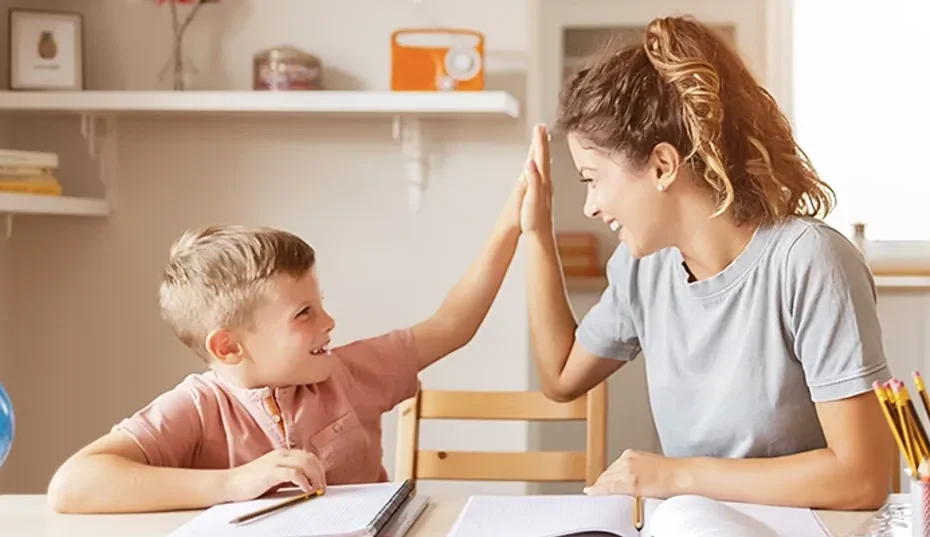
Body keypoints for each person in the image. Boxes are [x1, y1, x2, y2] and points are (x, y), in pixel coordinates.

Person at [518, 15, 895, 510]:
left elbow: (863, 479)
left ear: (662, 166)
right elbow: (561, 377)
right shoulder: (644, 270)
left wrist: (675, 477)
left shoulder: (809, 262)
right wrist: (536, 233)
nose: (589, 206)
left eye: (592, 179)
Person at [45, 157, 536, 513]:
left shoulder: (347, 372)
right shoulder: (197, 408)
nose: (329, 323)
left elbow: (451, 326)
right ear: (228, 346)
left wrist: (512, 225)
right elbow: (71, 486)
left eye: (320, 305)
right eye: (304, 313)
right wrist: (232, 483)